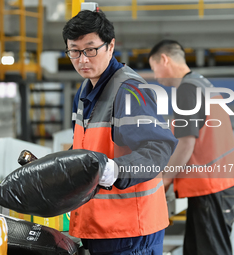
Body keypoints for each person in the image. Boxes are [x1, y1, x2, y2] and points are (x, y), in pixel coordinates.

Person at [62, 10, 178, 255]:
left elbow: (158, 150)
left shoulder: (129, 91)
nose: (82, 59)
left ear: (111, 45)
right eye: (74, 50)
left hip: (130, 232)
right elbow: (86, 146)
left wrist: (117, 170)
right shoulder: (84, 90)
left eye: (90, 49)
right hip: (98, 226)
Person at [148, 39, 234, 255]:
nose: (156, 76)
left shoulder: (187, 89)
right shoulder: (202, 84)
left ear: (164, 59)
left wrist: (163, 180)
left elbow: (186, 143)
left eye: (154, 68)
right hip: (216, 186)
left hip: (210, 187)